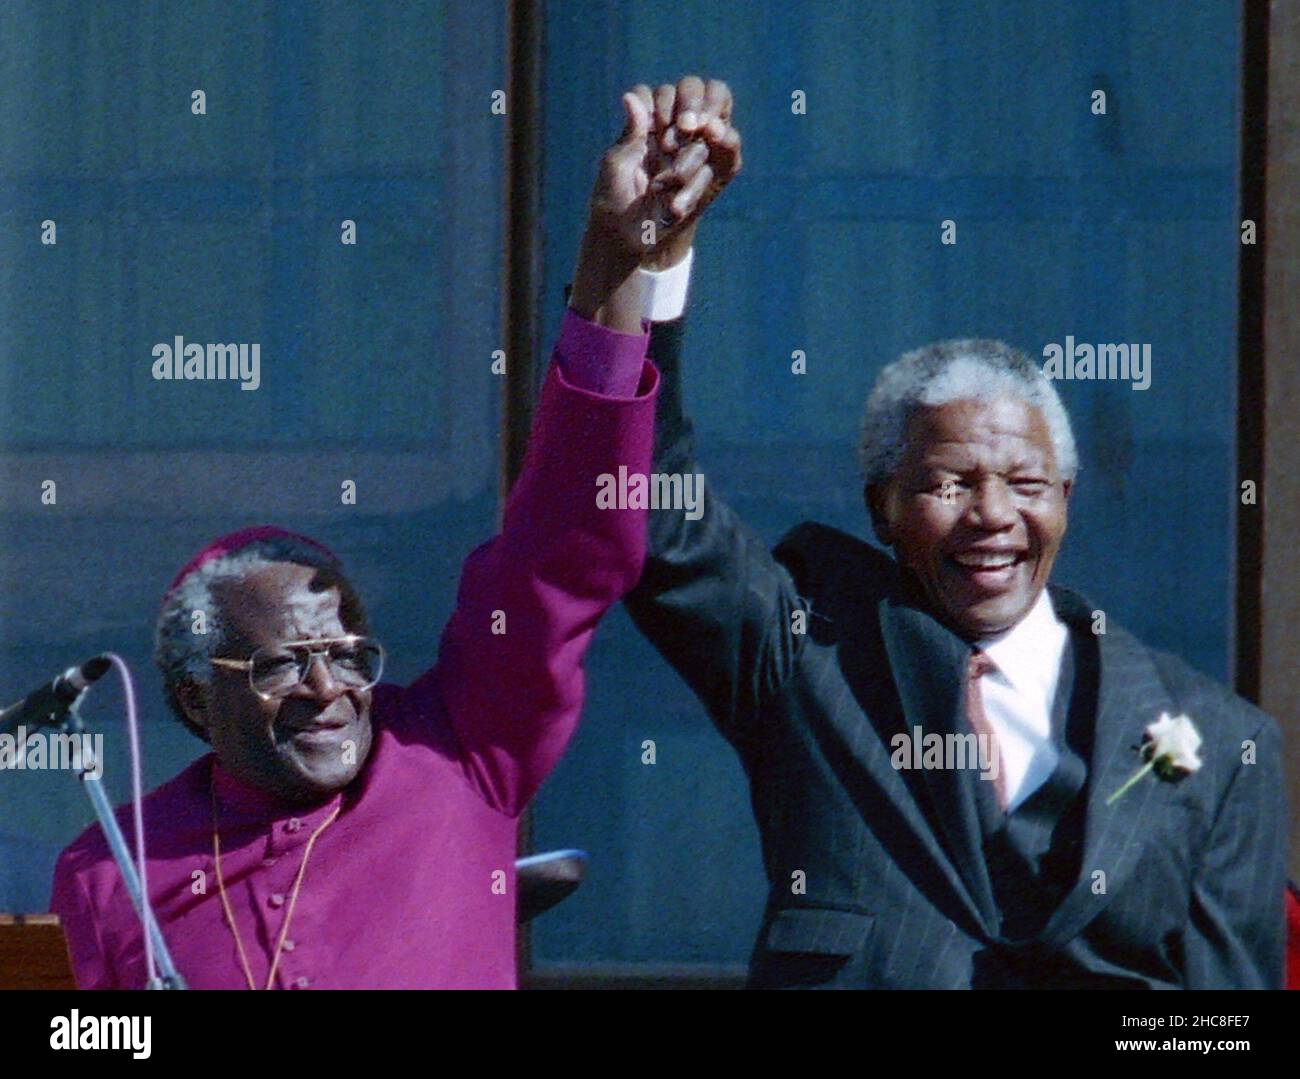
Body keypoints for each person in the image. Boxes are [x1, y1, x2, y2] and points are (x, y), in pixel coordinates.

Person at [624, 76, 1287, 989]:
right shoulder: (805, 657)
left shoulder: (1221, 742)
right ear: (884, 508)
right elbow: (642, 503)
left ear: (1065, 498)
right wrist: (646, 256)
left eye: (1025, 483)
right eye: (949, 483)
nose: (993, 515)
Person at [48, 87, 709, 990]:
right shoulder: (107, 871)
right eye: (284, 665)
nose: (329, 689)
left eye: (349, 655)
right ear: (199, 700)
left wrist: (616, 259)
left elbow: (563, 549)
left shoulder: (460, 748)